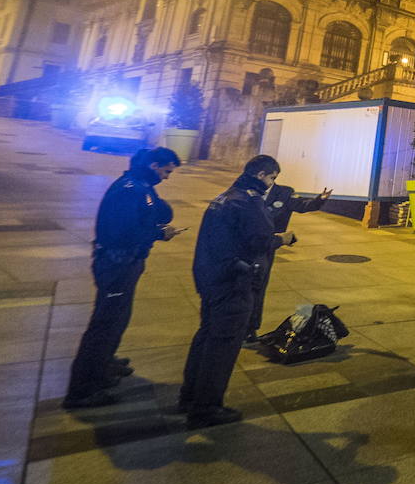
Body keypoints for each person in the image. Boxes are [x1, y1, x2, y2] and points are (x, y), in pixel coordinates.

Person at [176, 155, 295, 428]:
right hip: (234, 282)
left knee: (206, 337)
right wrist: (283, 238)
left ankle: (189, 397)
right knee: (222, 345)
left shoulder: (226, 197)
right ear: (263, 174)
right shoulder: (249, 201)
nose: (272, 184)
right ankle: (206, 408)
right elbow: (260, 239)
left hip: (212, 278)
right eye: (272, 178)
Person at [64, 147, 184, 409]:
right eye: (166, 171)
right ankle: (82, 390)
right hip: (117, 265)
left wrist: (155, 225)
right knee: (104, 325)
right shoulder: (130, 190)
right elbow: (120, 233)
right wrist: (158, 235)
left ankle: (103, 365)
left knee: (117, 319)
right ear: (154, 165)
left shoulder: (138, 185)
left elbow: (146, 218)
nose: (167, 177)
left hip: (125, 263)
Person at [245, 183, 331, 343]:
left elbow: (303, 205)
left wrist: (320, 200)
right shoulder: (248, 192)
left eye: (272, 177)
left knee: (258, 288)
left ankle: (250, 329)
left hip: (266, 248)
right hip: (244, 245)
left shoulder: (284, 193)